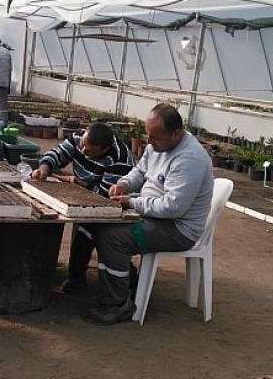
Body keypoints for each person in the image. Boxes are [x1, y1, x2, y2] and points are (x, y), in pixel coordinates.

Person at [84, 103, 214, 326]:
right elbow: (140, 170)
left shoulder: (189, 159)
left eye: (156, 138)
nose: (149, 142)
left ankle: (117, 304)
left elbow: (173, 208)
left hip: (177, 229)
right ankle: (127, 282)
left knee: (113, 237)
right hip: (153, 215)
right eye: (148, 135)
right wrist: (124, 183)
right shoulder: (158, 144)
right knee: (95, 222)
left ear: (176, 133)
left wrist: (133, 202)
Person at [31, 122, 134, 293]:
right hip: (85, 189)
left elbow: (103, 198)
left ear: (104, 149)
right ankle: (75, 274)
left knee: (87, 232)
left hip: (111, 204)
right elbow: (58, 154)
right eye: (82, 147)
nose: (83, 152)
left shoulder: (120, 159)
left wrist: (78, 185)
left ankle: (78, 278)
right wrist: (44, 167)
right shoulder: (79, 138)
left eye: (89, 151)